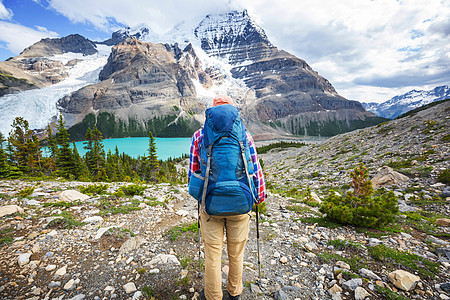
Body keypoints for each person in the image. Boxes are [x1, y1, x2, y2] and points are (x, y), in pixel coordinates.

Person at [188, 95, 266, 300]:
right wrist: (259, 196)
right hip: (241, 202)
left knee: (213, 254)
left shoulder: (199, 135)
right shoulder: (245, 136)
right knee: (236, 253)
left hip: (211, 203)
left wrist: (200, 199)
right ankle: (235, 292)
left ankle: (213, 295)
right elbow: (255, 169)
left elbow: (194, 171)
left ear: (211, 113)